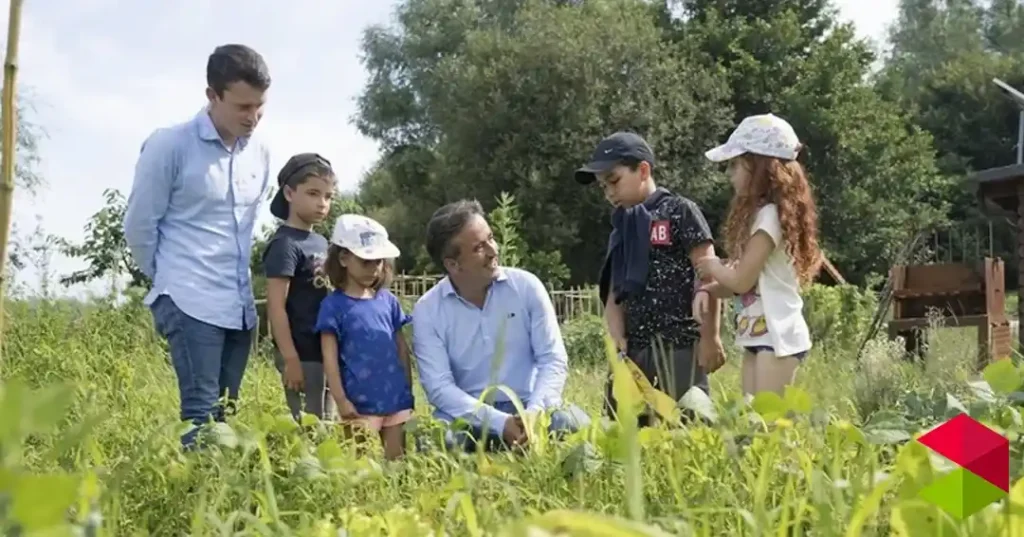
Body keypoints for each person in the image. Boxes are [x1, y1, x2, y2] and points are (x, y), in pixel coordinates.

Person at [123, 44, 272, 450]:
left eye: (259, 106)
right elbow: (139, 225)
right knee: (202, 413)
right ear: (212, 95)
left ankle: (223, 499)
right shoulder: (169, 145)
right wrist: (169, 280)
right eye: (242, 106)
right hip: (189, 298)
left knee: (226, 413)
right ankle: (199, 503)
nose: (252, 117)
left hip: (238, 304)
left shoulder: (260, 153)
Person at [412, 200, 591, 453]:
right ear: (453, 264)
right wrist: (499, 422)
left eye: (491, 238)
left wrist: (534, 414)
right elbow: (438, 388)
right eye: (479, 248)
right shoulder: (428, 310)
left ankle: (530, 447)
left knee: (575, 424)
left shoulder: (527, 287)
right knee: (434, 439)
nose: (493, 250)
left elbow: (552, 359)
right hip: (470, 415)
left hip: (528, 405)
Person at [574, 131, 726, 428]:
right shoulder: (621, 226)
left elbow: (709, 274)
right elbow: (614, 288)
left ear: (643, 170)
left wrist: (711, 336)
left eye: (614, 181)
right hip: (634, 351)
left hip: (680, 346)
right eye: (603, 186)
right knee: (626, 434)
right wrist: (616, 336)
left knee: (688, 430)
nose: (609, 193)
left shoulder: (680, 211)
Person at [693, 113, 823, 398]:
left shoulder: (769, 218)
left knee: (769, 428)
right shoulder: (764, 217)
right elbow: (744, 284)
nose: (731, 174)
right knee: (755, 426)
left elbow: (740, 280)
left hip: (777, 337)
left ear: (761, 167)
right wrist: (709, 290)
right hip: (760, 335)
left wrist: (712, 265)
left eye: (736, 165)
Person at [316, 214, 414, 460]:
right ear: (344, 258)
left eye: (378, 261)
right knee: (362, 471)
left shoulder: (389, 302)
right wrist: (341, 400)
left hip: (396, 399)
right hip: (358, 406)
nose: (374, 268)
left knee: (396, 466)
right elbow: (330, 359)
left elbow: (401, 348)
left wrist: (408, 390)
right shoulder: (333, 306)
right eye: (365, 261)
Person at [262, 153, 336, 422]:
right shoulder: (285, 244)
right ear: (290, 193)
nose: (322, 203)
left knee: (329, 422)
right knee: (308, 425)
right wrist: (290, 358)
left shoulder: (321, 241)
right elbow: (276, 307)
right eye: (314, 193)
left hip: (325, 350)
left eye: (328, 196)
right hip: (301, 353)